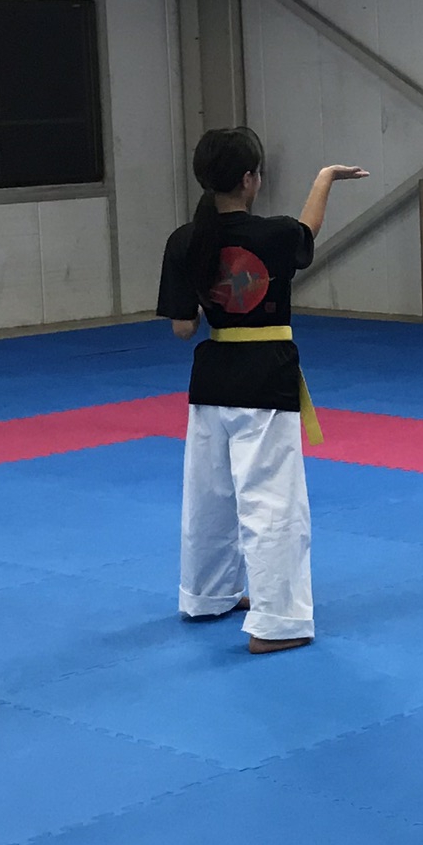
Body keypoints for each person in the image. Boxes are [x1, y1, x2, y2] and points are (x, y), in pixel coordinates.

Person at [157, 127, 366, 655]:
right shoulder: (273, 235)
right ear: (250, 179)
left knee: (209, 497)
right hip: (265, 376)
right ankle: (278, 623)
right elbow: (308, 230)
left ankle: (207, 595)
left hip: (211, 379)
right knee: (273, 500)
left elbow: (183, 328)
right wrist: (325, 178)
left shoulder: (184, 240)